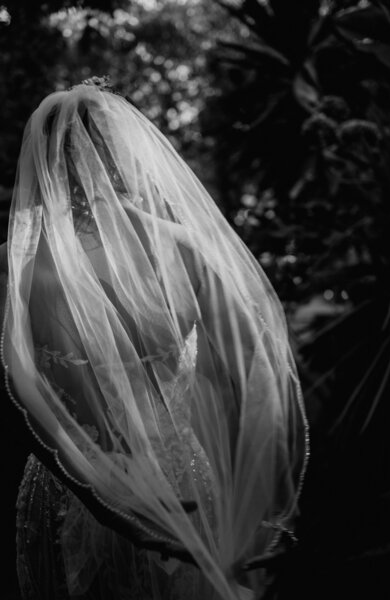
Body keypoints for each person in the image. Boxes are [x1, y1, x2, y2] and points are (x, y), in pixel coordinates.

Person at [1, 77, 308, 600]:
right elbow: (258, 378)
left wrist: (100, 488)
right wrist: (269, 501)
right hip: (182, 482)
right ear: (128, 152)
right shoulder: (187, 248)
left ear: (45, 164)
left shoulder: (20, 264)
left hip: (66, 489)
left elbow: (19, 387)